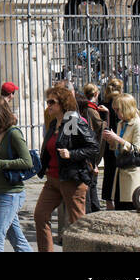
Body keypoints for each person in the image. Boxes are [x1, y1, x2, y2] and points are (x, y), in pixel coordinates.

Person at [33, 85, 97, 252]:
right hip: (53, 179)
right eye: (48, 102)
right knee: (40, 215)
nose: (49, 105)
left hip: (72, 179)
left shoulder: (72, 122)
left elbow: (92, 147)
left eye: (52, 102)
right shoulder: (54, 123)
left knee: (77, 223)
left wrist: (72, 154)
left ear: (63, 103)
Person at [0, 96, 33, 252]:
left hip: (12, 193)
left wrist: (4, 164)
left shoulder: (14, 134)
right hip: (1, 192)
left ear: (0, 115)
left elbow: (27, 161)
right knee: (16, 238)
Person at [102, 93, 140, 210]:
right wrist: (111, 141)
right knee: (119, 205)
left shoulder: (139, 125)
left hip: (133, 170)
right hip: (120, 169)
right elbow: (117, 147)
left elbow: (137, 149)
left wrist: (117, 139)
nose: (116, 113)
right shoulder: (120, 124)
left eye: (118, 110)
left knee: (131, 205)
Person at [99, 77, 124, 209]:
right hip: (118, 139)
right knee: (119, 171)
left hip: (107, 141)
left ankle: (108, 201)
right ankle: (119, 198)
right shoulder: (120, 103)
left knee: (109, 172)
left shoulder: (103, 103)